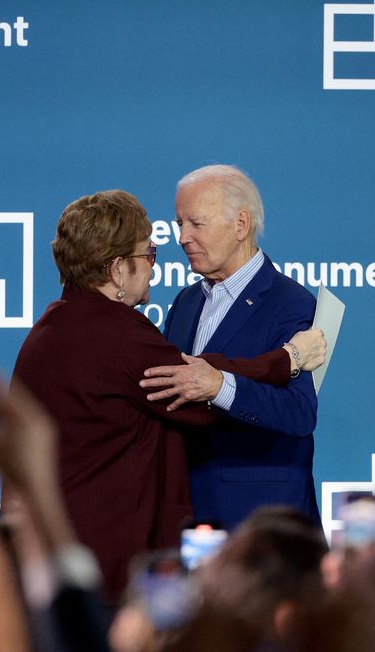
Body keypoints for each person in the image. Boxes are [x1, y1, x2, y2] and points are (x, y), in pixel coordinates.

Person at [10, 189, 324, 604]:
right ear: (118, 269)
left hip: (70, 544)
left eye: (194, 223)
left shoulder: (52, 326)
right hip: (105, 548)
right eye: (149, 255)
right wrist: (287, 359)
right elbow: (192, 390)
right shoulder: (118, 333)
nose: (167, 254)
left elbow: (201, 377)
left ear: (241, 225)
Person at [143, 165, 319, 530]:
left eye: (196, 223)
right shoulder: (186, 302)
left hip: (258, 520)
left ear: (241, 225)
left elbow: (300, 413)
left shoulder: (291, 303)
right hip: (187, 512)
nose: (182, 237)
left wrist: (219, 387)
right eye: (179, 224)